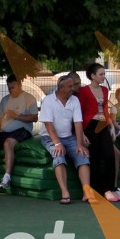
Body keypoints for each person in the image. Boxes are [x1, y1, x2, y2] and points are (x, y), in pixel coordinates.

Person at [39, 75, 91, 204]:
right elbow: (48, 125)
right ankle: (65, 192)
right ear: (61, 88)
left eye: (73, 86)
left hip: (68, 136)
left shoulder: (74, 100)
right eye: (70, 86)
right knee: (59, 156)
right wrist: (57, 143)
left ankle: (87, 192)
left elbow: (78, 123)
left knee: (83, 155)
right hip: (49, 137)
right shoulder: (48, 100)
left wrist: (79, 144)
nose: (73, 89)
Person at [77, 64, 120, 202]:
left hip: (102, 125)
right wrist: (82, 133)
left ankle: (109, 188)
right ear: (92, 76)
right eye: (101, 74)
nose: (103, 76)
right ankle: (103, 190)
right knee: (94, 158)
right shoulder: (83, 91)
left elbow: (105, 109)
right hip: (90, 125)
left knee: (109, 155)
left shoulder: (104, 90)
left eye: (104, 73)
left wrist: (111, 126)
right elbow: (80, 113)